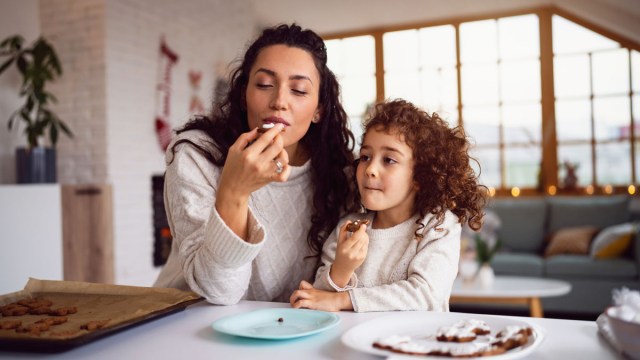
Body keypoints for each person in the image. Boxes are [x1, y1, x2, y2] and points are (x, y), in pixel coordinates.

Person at [154, 24, 358, 305]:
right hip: (185, 320)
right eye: (264, 84)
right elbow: (220, 292)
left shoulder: (339, 174)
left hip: (287, 327)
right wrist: (234, 192)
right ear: (243, 94)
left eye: (298, 90)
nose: (279, 102)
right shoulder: (197, 154)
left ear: (319, 110)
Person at [290, 99, 487, 312]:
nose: (370, 169)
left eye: (389, 160)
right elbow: (319, 301)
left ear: (421, 176)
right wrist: (341, 269)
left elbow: (426, 295)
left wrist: (344, 300)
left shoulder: (439, 225)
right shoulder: (349, 227)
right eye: (365, 157)